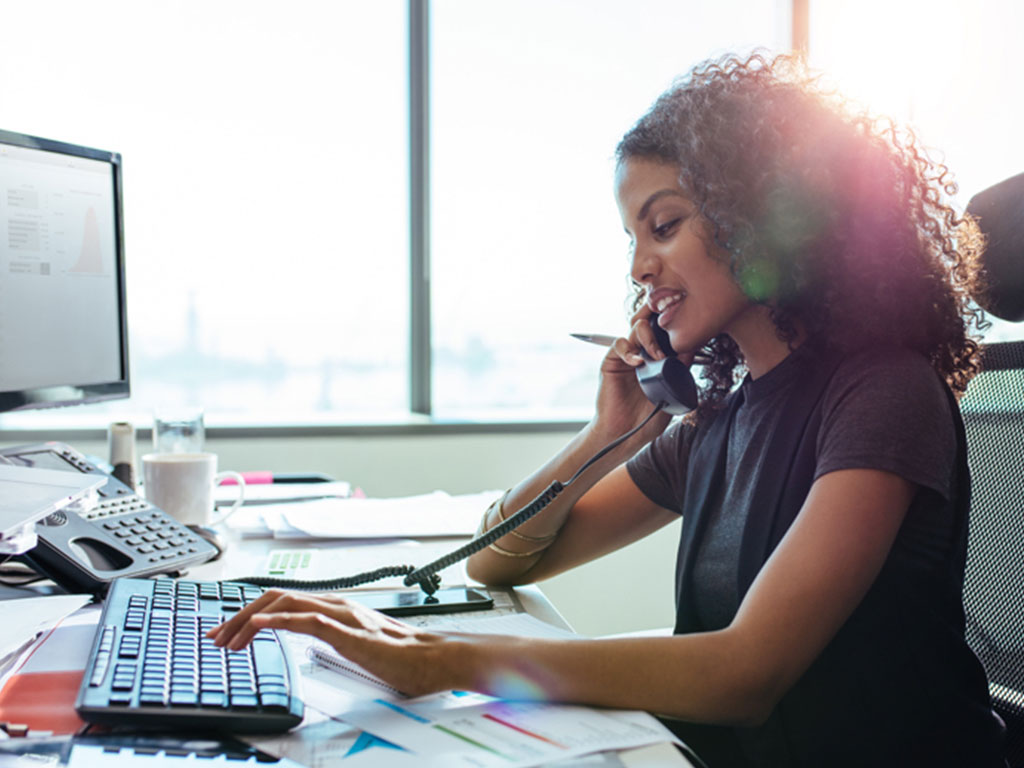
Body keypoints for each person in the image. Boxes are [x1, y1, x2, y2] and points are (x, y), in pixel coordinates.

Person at [208, 52, 1007, 767]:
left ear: (760, 217)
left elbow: (745, 675)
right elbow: (502, 561)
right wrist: (608, 434)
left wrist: (440, 657)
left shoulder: (884, 394)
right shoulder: (716, 422)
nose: (638, 266)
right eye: (632, 235)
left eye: (663, 225)